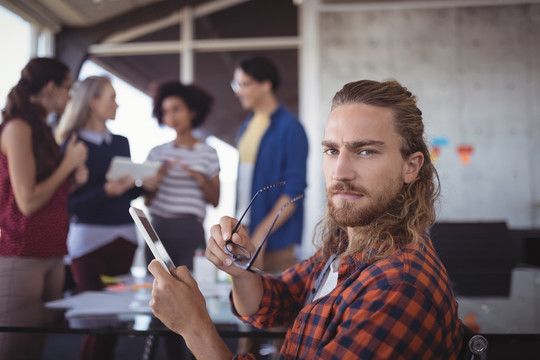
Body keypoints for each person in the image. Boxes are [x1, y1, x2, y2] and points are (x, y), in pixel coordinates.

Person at [148, 79, 465, 359]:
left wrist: (195, 329)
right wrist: (240, 270)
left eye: (366, 151)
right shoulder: (347, 245)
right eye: (331, 151)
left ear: (411, 166)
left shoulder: (397, 287)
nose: (340, 172)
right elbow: (277, 299)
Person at [55, 75, 162, 360]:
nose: (117, 103)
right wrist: (106, 190)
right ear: (92, 101)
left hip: (125, 239)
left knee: (115, 320)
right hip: (89, 242)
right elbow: (68, 205)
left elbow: (122, 195)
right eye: (111, 97)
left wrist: (141, 187)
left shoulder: (120, 142)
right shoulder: (71, 145)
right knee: (95, 323)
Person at [0, 57, 88, 360]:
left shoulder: (40, 128)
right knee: (16, 350)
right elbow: (28, 202)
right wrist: (67, 165)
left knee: (34, 349)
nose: (71, 96)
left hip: (50, 251)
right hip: (22, 253)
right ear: (50, 87)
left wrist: (70, 181)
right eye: (68, 88)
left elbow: (45, 192)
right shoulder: (18, 128)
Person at [231, 55, 308, 273]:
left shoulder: (290, 127)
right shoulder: (247, 126)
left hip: (275, 241)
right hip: (246, 234)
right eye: (235, 84)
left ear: (266, 84)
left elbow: (294, 190)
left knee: (278, 303)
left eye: (243, 84)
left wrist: (261, 235)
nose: (238, 91)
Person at [144, 80, 220, 271]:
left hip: (190, 230)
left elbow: (215, 200)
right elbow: (146, 201)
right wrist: (157, 178)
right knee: (155, 286)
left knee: (191, 285)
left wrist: (200, 179)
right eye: (166, 111)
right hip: (158, 229)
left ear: (192, 111)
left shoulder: (208, 153)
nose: (171, 117)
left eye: (176, 109)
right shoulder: (156, 153)